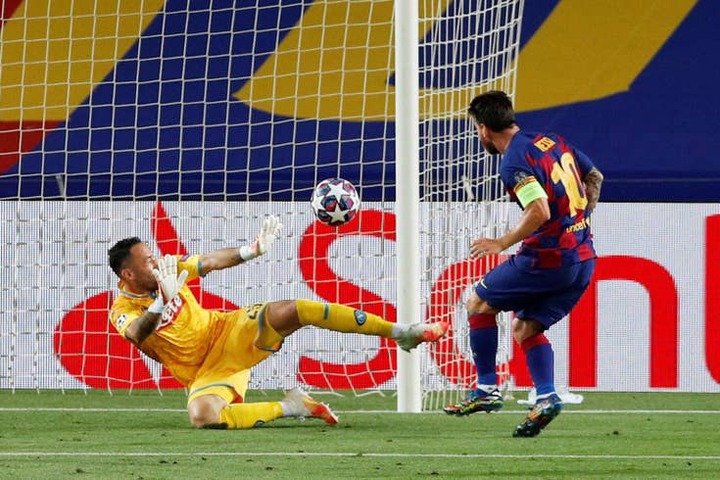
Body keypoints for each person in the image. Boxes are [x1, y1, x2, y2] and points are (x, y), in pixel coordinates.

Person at [107, 215, 448, 429]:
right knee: (203, 417)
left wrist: (250, 250)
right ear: (128, 274)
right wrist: (162, 302)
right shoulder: (122, 308)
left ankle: (401, 332)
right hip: (205, 372)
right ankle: (293, 406)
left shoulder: (169, 270)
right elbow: (136, 334)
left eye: (153, 256)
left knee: (294, 310)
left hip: (228, 332)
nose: (157, 263)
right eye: (148, 261)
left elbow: (209, 260)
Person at [443, 91, 603, 437]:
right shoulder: (552, 141)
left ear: (484, 129)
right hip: (583, 258)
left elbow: (539, 210)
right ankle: (546, 397)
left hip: (546, 259)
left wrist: (500, 243)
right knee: (525, 328)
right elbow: (595, 177)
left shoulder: (514, 162)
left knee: (477, 302)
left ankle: (486, 389)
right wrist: (579, 222)